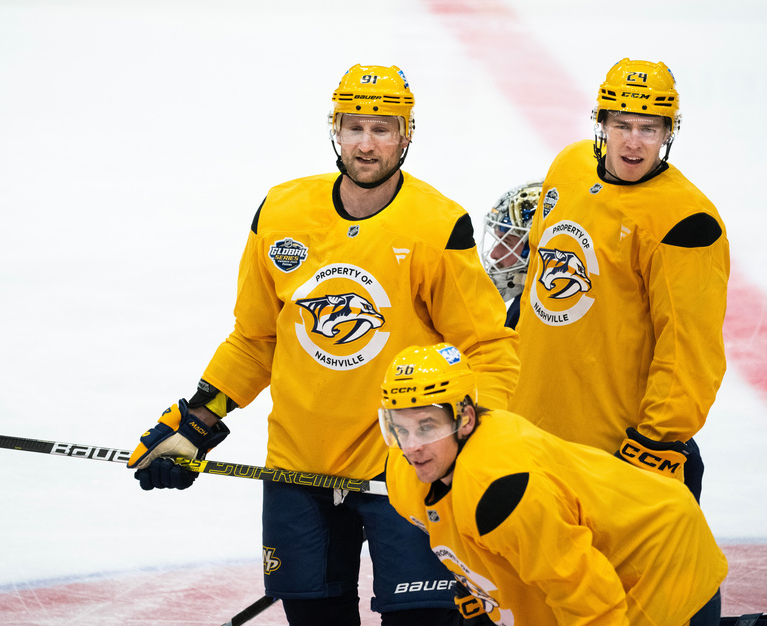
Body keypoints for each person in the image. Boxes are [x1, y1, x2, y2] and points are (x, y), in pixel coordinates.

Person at [126, 64, 519, 626]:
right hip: (298, 469)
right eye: (354, 127)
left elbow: (489, 349)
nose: (366, 144)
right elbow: (255, 338)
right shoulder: (282, 213)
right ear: (334, 129)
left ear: (407, 134)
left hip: (404, 471)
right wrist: (197, 421)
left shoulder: (436, 227)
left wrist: (477, 436)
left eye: (383, 129)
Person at [380, 342, 728, 625]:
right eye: (401, 427)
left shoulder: (501, 490)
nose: (412, 446)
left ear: (466, 419)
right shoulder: (404, 470)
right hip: (600, 561)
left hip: (659, 559)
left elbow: (588, 598)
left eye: (427, 426)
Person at [509, 58, 730, 501]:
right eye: (622, 125)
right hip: (530, 435)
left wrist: (654, 443)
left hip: (614, 451)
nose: (633, 142)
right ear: (601, 123)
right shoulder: (569, 166)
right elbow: (538, 277)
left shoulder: (686, 222)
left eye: (649, 128)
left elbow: (689, 350)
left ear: (668, 132)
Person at [478, 181, 542, 329]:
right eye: (497, 240)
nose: (494, 253)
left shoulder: (532, 318)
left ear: (536, 247)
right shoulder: (522, 309)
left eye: (507, 241)